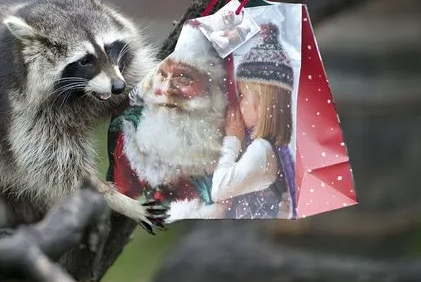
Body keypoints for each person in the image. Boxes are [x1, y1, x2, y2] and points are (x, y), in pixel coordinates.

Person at [166, 22, 297, 221]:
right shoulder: (266, 149)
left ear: (262, 103)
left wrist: (233, 140)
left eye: (243, 96)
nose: (238, 102)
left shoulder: (262, 150)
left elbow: (219, 189)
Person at [109, 23, 229, 205]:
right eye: (162, 77)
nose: (165, 90)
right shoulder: (129, 135)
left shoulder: (228, 151)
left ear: (210, 90)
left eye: (183, 78)